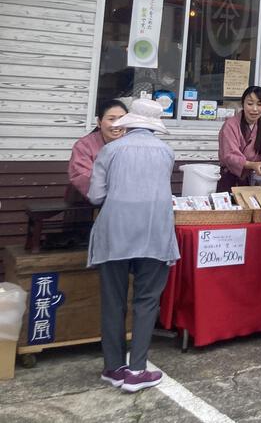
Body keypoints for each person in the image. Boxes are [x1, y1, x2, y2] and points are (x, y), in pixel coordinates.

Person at [87, 98, 179, 394]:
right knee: (146, 300)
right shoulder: (166, 152)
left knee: (113, 301)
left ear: (130, 121)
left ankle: (113, 367)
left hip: (115, 232)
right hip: (154, 231)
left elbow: (95, 196)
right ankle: (137, 369)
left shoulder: (110, 150)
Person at [64, 99, 128, 243]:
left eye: (122, 119)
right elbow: (81, 175)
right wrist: (109, 189)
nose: (117, 124)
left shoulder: (132, 144)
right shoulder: (84, 145)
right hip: (86, 201)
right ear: (99, 122)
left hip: (124, 203)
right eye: (111, 119)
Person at [218, 86, 261, 192]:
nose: (254, 109)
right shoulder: (230, 125)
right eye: (250, 104)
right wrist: (252, 165)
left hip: (252, 179)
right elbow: (230, 155)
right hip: (229, 178)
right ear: (242, 104)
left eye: (259, 104)